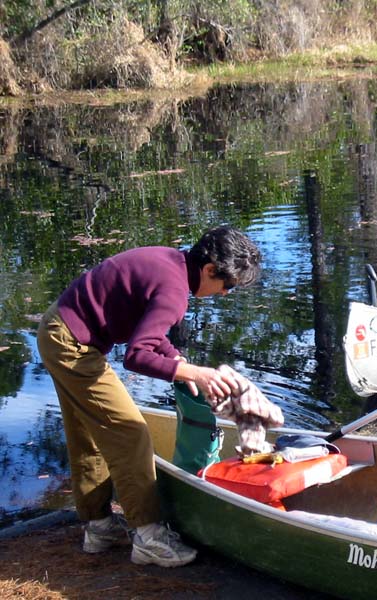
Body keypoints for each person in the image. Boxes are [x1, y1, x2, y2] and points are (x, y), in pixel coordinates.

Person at [36, 225, 262, 567]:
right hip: (73, 345)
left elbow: (149, 332)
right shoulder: (174, 291)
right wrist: (194, 373)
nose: (225, 293)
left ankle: (99, 528)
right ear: (210, 269)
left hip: (58, 331)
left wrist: (177, 360)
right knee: (130, 431)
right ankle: (149, 537)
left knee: (88, 434)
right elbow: (137, 356)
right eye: (226, 284)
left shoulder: (171, 263)